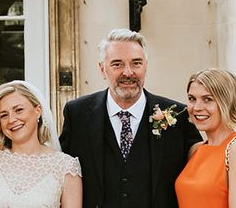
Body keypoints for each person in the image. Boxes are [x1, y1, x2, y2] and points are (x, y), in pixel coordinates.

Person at [59, 29, 201, 208]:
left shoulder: (178, 115)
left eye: (136, 63)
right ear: (102, 69)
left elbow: (202, 171)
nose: (128, 72)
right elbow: (59, 171)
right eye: (117, 64)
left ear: (146, 66)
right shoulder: (77, 114)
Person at [0, 80, 82, 208]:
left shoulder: (66, 167)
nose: (11, 120)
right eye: (4, 115)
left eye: (19, 110)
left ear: (38, 111)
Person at [174, 69, 236, 208]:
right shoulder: (195, 150)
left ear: (227, 102)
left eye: (207, 99)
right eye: (192, 99)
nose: (197, 107)